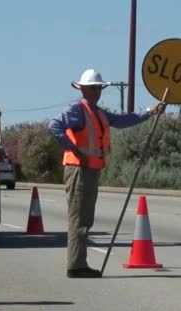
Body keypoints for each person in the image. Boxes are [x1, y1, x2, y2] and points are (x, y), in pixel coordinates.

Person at [48, 69, 166, 278]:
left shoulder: (98, 112)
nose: (97, 92)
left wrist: (150, 112)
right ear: (83, 89)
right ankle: (76, 266)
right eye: (93, 88)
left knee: (85, 219)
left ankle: (78, 264)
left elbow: (123, 120)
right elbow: (54, 125)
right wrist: (74, 150)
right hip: (79, 170)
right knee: (79, 220)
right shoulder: (77, 110)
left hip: (90, 170)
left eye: (98, 88)